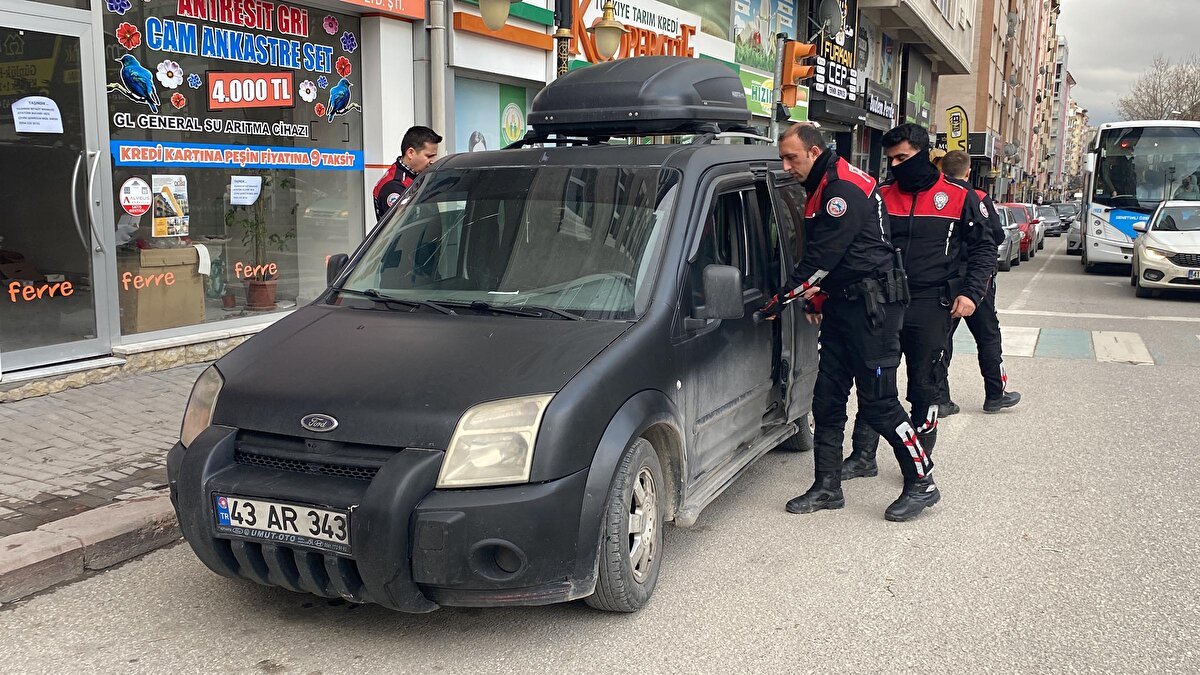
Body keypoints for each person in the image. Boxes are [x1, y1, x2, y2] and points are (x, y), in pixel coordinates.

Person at [762, 124, 938, 522]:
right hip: (844, 306)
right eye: (782, 158)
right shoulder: (825, 179)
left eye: (791, 157)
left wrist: (780, 300)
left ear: (814, 150)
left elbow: (822, 260)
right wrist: (819, 296)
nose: (786, 166)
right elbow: (836, 260)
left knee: (879, 405)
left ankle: (922, 481)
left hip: (872, 310)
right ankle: (827, 487)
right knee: (827, 399)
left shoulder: (840, 189)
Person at [840, 124, 994, 482]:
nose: (895, 165)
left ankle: (918, 462)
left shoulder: (960, 195)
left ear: (924, 154)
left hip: (932, 303)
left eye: (903, 158)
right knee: (875, 379)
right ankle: (863, 455)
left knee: (926, 385)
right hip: (883, 301)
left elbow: (985, 248)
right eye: (890, 159)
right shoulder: (879, 195)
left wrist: (972, 293)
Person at [935, 150, 1021, 415]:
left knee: (940, 339)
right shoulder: (979, 197)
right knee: (988, 337)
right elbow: (993, 236)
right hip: (976, 281)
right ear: (969, 172)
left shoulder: (936, 198)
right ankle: (995, 394)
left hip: (945, 280)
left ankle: (940, 398)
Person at [372, 126, 442, 220]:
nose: (432, 161)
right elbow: (402, 229)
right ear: (410, 153)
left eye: (434, 156)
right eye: (429, 156)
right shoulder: (394, 186)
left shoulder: (420, 175)